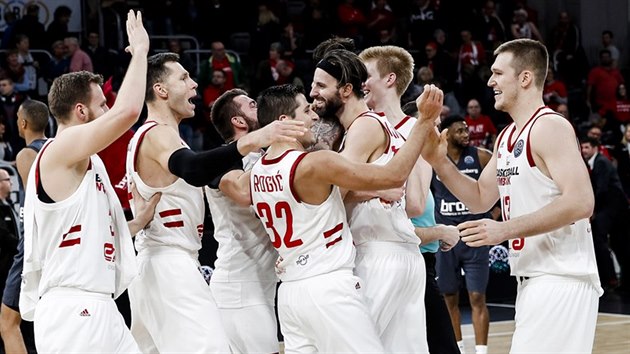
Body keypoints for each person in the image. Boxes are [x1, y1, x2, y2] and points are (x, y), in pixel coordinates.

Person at [420, 38, 602, 353]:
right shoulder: (506, 136)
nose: (490, 81)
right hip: (533, 279)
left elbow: (582, 202)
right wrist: (439, 161)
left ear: (525, 78)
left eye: (498, 73)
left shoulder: (550, 127)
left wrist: (505, 229)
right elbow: (479, 198)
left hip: (562, 276)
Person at [125, 52, 306, 353]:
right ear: (161, 90)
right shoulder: (157, 133)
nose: (195, 84)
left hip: (158, 263)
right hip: (169, 263)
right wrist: (254, 139)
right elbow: (195, 169)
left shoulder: (161, 137)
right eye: (183, 78)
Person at [241, 83, 441, 352]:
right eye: (306, 111)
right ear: (284, 122)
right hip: (328, 286)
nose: (314, 116)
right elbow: (395, 175)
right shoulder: (316, 163)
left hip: (289, 292)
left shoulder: (253, 175)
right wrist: (424, 121)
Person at [20, 11, 160, 353]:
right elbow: (127, 113)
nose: (108, 109)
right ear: (81, 111)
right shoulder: (60, 148)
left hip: (99, 306)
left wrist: (138, 221)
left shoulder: (87, 161)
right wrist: (140, 51)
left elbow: (98, 234)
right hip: (72, 310)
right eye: (102, 105)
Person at [310, 48, 428, 352]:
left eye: (321, 86)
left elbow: (332, 193)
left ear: (347, 90)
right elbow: (413, 201)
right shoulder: (384, 125)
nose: (313, 94)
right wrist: (375, 189)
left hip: (377, 255)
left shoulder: (364, 126)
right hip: (404, 255)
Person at [358, 45, 460, 354]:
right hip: (369, 253)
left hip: (409, 254)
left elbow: (415, 204)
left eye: (367, 75)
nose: (361, 82)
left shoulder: (418, 131)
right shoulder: (363, 127)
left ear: (389, 79)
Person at [206, 89, 279, 353]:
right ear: (238, 121)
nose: (259, 107)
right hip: (238, 285)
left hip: (262, 282)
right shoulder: (223, 160)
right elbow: (242, 193)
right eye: (251, 105)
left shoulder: (260, 158)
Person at [431, 115, 493, 354]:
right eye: (460, 131)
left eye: (467, 130)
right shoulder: (434, 160)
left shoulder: (481, 156)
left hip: (475, 236)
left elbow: (501, 184)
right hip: (447, 238)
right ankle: (456, 348)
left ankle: (481, 352)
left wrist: (494, 213)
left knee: (477, 296)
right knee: (449, 297)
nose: (466, 134)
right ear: (446, 134)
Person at [0, 99, 48, 354]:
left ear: (23, 123)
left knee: (8, 323)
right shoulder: (56, 149)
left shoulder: (26, 154)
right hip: (56, 246)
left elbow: (39, 206)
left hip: (34, 247)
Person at [580, 136, 630, 293]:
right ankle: (616, 280)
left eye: (587, 147)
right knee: (617, 244)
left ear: (595, 147)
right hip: (612, 208)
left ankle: (610, 279)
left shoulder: (601, 162)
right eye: (582, 147)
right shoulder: (596, 162)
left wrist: (592, 210)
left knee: (601, 240)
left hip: (613, 208)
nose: (584, 150)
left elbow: (601, 190)